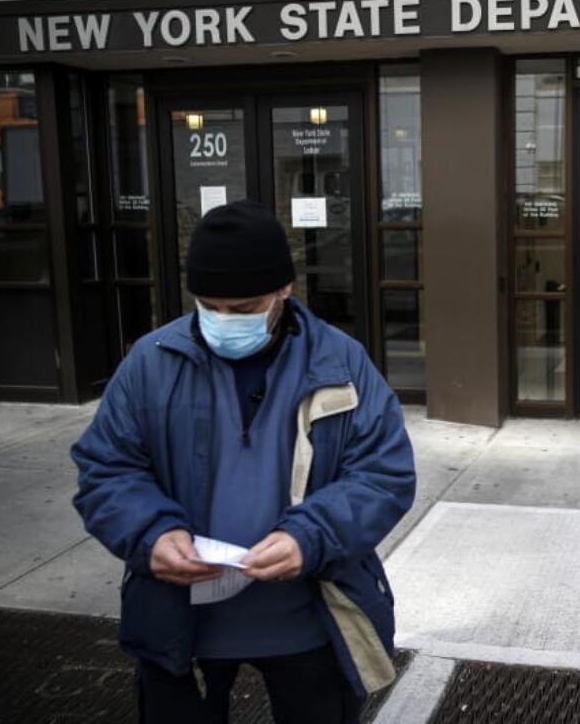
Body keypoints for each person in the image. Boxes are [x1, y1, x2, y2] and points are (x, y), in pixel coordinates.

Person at [70, 200, 415, 723]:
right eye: (210, 306)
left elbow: (383, 474)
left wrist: (310, 536)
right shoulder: (150, 362)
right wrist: (150, 533)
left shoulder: (341, 362)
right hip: (178, 623)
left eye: (245, 307)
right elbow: (106, 468)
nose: (224, 321)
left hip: (311, 617)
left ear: (285, 290)